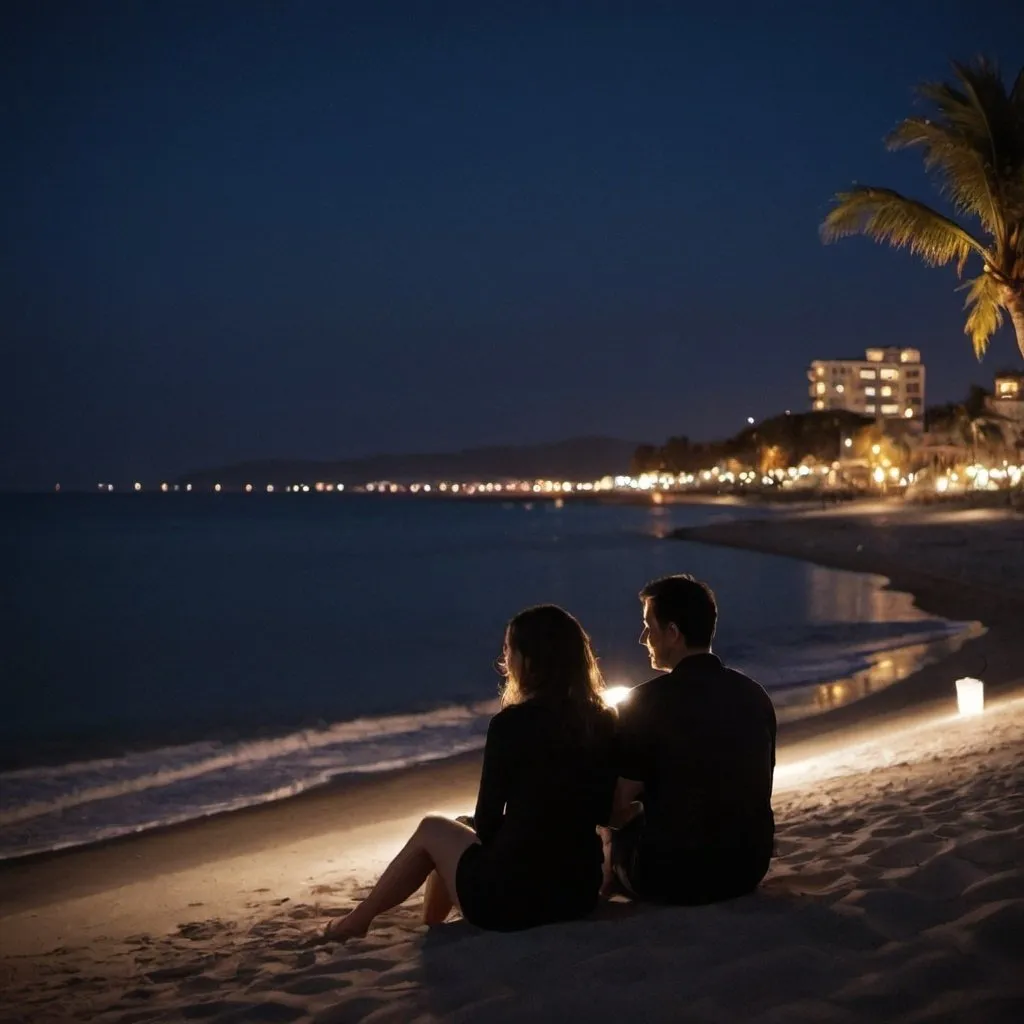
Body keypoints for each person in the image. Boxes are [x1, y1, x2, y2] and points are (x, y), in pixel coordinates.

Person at [320, 604, 617, 940]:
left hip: (515, 901)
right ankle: (434, 929)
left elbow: (488, 822)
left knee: (433, 828)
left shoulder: (511, 724)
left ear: (529, 661)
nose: (504, 658)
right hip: (577, 895)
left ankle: (356, 923)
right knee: (461, 827)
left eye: (509, 648)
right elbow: (603, 808)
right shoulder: (602, 721)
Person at [605, 574, 777, 905]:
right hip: (747, 867)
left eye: (649, 627)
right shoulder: (755, 695)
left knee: (610, 829)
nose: (643, 639)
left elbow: (618, 805)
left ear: (672, 633)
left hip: (671, 876)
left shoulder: (644, 702)